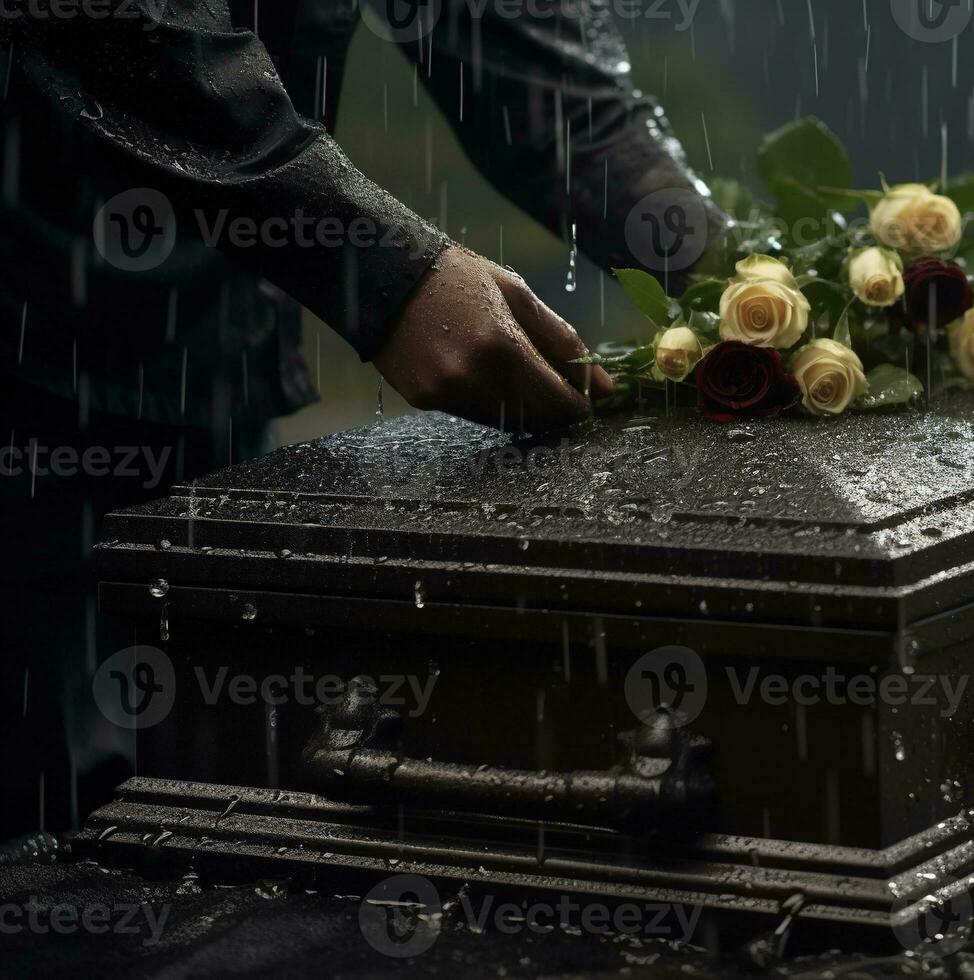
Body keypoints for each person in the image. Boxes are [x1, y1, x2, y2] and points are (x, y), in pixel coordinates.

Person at [0, 0, 725, 839]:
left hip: (202, 361)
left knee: (186, 801)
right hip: (26, 329)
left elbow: (540, 74)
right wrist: (385, 267)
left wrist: (750, 285)